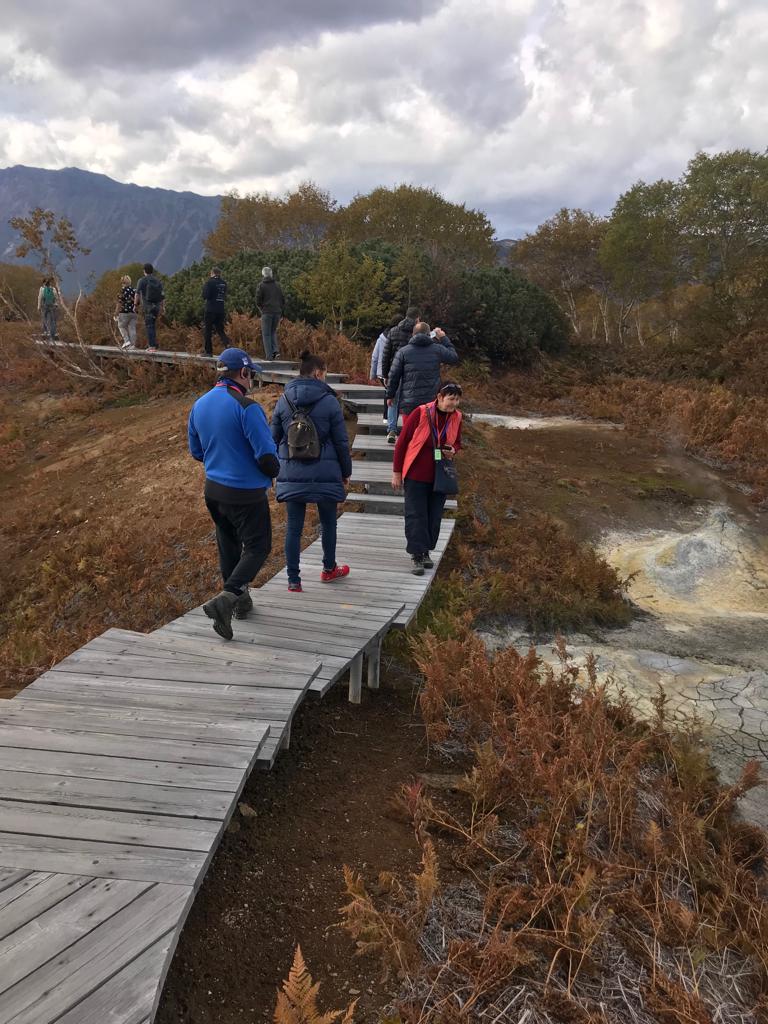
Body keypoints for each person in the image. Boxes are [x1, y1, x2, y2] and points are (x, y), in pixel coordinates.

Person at [188, 347, 280, 640]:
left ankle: (240, 604)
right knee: (258, 547)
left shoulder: (199, 405)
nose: (251, 380)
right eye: (251, 374)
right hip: (246, 492)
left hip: (214, 491)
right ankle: (228, 598)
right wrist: (274, 471)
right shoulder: (247, 407)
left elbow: (196, 451)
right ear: (242, 372)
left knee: (228, 545)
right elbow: (267, 458)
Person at [271, 350, 352, 592]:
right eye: (325, 373)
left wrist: (276, 470)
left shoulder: (284, 400)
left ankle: (293, 580)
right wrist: (345, 472)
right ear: (318, 373)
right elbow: (341, 442)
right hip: (326, 470)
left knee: (293, 527)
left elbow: (272, 438)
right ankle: (329, 569)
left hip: (292, 472)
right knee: (328, 523)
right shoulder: (330, 401)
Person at [392, 383, 463, 575]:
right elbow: (402, 442)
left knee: (434, 515)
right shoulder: (421, 413)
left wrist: (453, 449)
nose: (454, 403)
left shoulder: (457, 417)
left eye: (457, 399)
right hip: (416, 473)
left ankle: (426, 551)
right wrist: (397, 472)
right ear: (439, 397)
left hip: (440, 475)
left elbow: (457, 442)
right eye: (451, 398)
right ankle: (417, 555)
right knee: (416, 515)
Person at [386, 322, 459, 432]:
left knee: (409, 435)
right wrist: (443, 338)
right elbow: (454, 358)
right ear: (429, 334)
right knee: (427, 435)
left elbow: (393, 376)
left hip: (409, 402)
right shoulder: (437, 350)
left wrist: (390, 395)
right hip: (430, 402)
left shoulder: (403, 352)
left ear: (413, 334)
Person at [381, 306, 419, 442]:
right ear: (418, 318)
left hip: (394, 370)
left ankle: (392, 429)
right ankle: (411, 431)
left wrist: (385, 374)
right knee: (411, 401)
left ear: (406, 316)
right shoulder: (418, 333)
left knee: (393, 400)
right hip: (412, 372)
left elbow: (386, 355)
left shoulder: (393, 331)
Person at [256, 266, 285, 361]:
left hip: (267, 312)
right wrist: (279, 308)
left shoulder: (261, 285)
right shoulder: (277, 285)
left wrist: (262, 308)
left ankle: (269, 356)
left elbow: (258, 300)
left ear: (263, 274)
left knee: (266, 334)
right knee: (273, 332)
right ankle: (276, 351)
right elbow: (282, 299)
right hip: (277, 312)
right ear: (271, 274)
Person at [134, 262, 165, 350]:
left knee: (149, 326)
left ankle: (152, 346)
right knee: (153, 325)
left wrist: (135, 305)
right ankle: (154, 345)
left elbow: (137, 294)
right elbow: (163, 295)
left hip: (147, 307)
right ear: (152, 271)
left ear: (144, 271)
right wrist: (163, 307)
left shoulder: (142, 280)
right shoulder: (158, 281)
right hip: (157, 307)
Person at [201, 266, 230, 356]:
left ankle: (208, 351)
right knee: (220, 329)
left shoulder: (209, 282)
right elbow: (225, 295)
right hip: (220, 309)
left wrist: (204, 287)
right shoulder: (224, 283)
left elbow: (205, 296)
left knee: (208, 330)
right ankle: (227, 343)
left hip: (210, 309)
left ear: (212, 273)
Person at [115, 275, 137, 349]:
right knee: (132, 328)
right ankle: (132, 345)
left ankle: (126, 341)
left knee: (121, 326)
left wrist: (116, 312)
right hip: (133, 312)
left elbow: (119, 302)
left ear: (122, 282)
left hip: (124, 312)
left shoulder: (122, 290)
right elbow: (138, 301)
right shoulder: (134, 290)